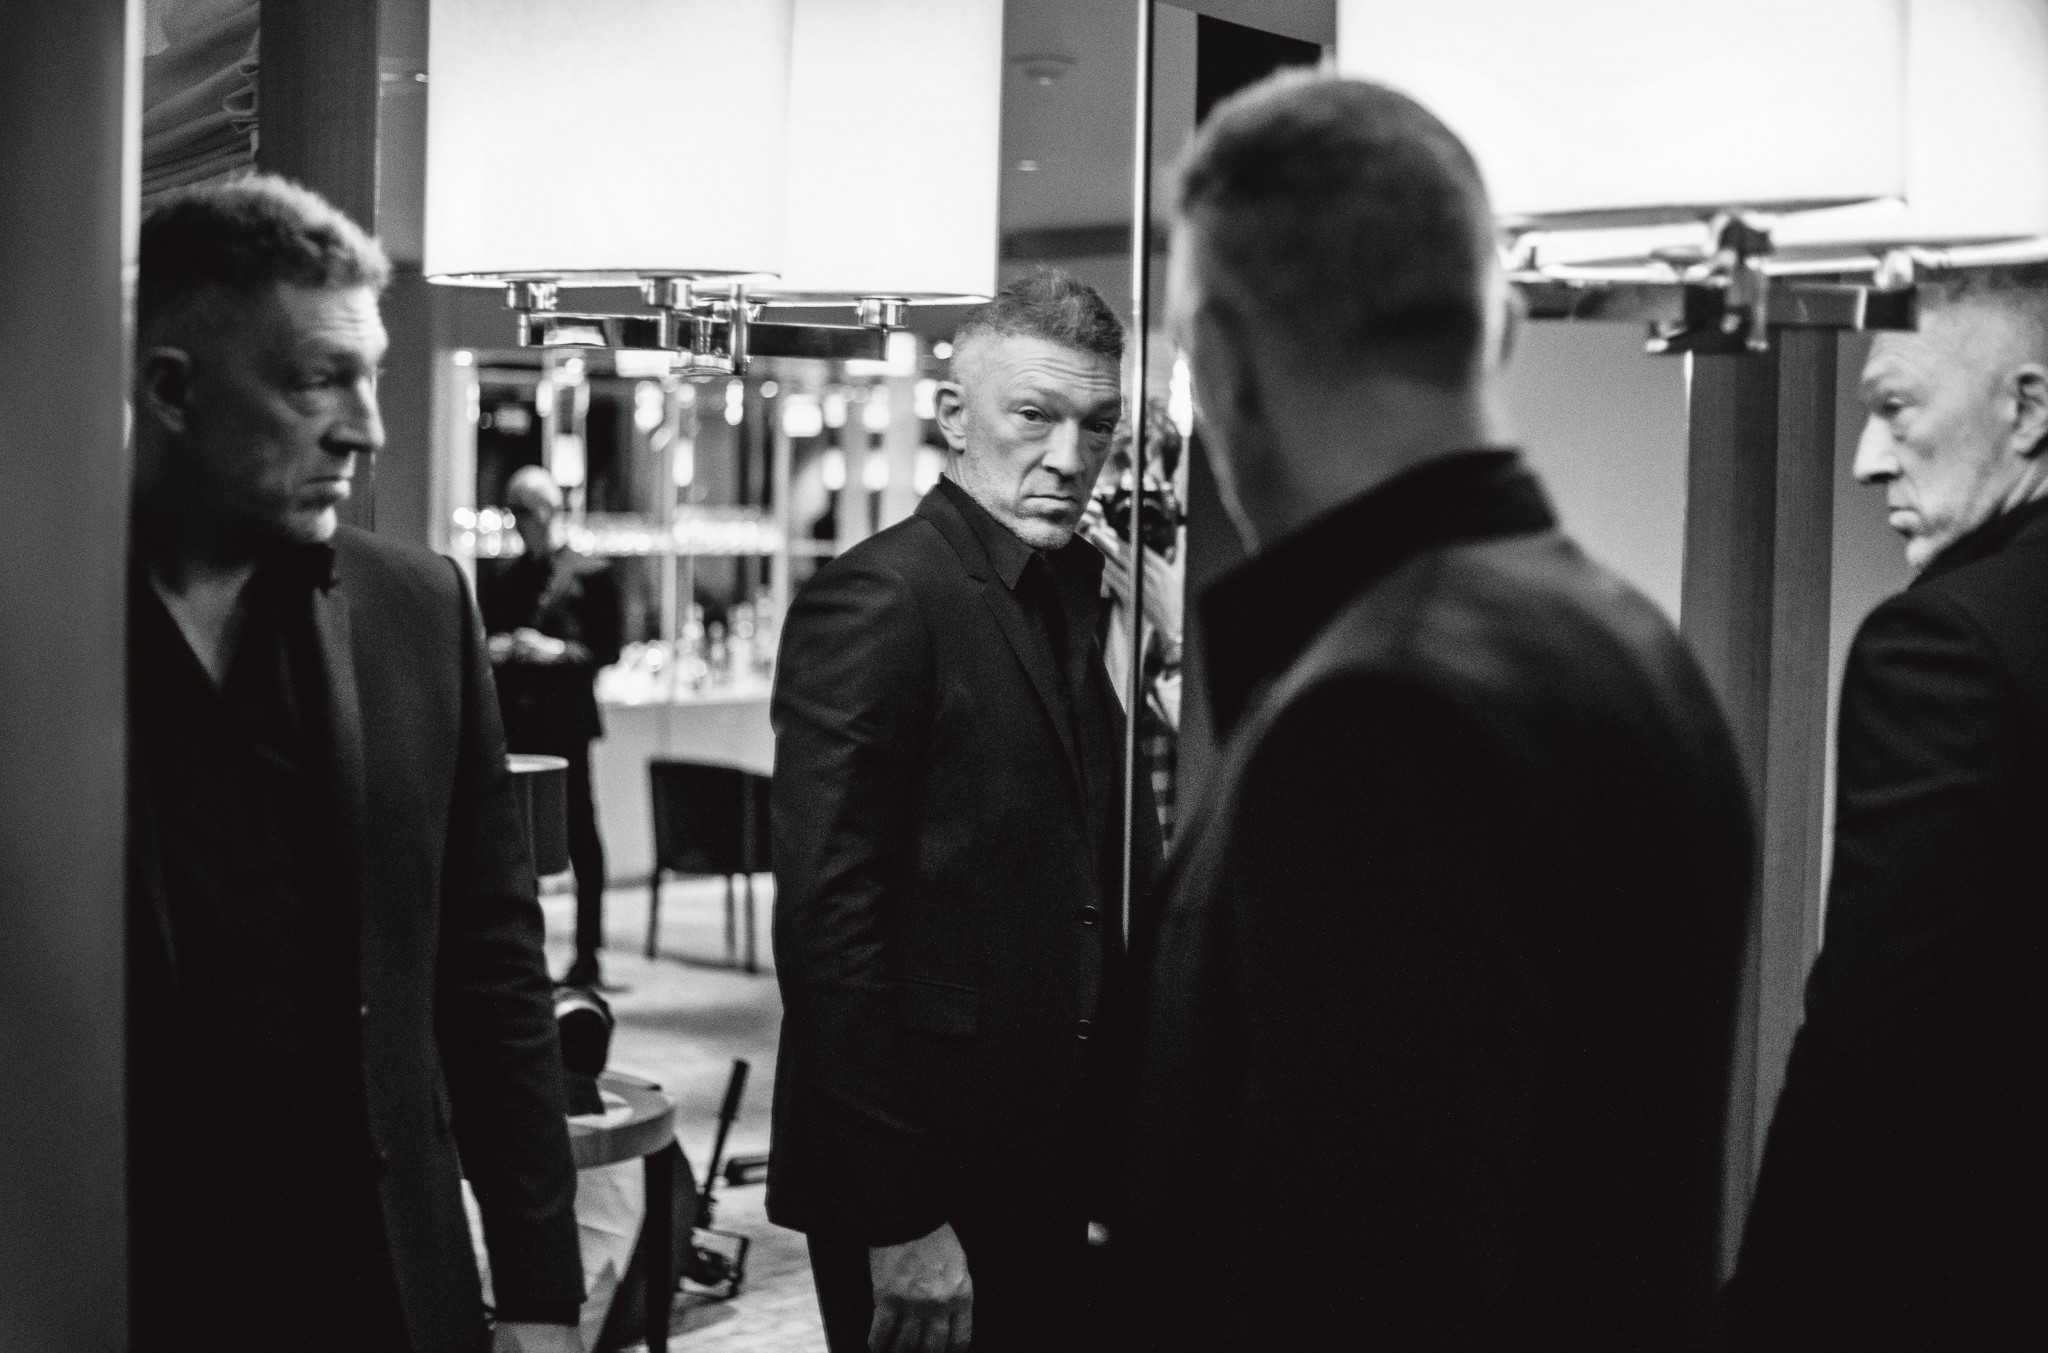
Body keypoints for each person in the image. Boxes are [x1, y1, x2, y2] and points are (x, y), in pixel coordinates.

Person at [1111, 75, 1756, 1349]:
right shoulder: (1630, 642)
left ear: (1222, 362)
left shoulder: (1377, 720)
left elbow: (1362, 1288)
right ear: (1496, 331)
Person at [126, 176, 581, 1353]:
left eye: (370, 377)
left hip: (380, 1281)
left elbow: (492, 968)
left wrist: (539, 1293)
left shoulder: (416, 609)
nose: (365, 428)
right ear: (171, 389)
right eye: (316, 380)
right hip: (120, 1281)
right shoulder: (42, 627)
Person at [768, 268, 1164, 1353]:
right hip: (924, 1174)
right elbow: (827, 930)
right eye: (1034, 415)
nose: (1070, 456)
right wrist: (898, 1213)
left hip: (1047, 1155)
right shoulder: (882, 596)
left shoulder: (1074, 591)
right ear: (953, 416)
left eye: (1097, 425)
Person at [1728, 266, 2048, 1347]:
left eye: (1895, 407)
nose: (1868, 459)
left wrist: (1765, 1317)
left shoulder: (1946, 647)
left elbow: (1874, 1054)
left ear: (2028, 408)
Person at [482, 464, 623, 990]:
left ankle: (588, 953)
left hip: (566, 725)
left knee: (580, 835)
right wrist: (500, 649)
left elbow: (608, 649)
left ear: (545, 511)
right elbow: (485, 640)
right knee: (517, 842)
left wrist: (555, 652)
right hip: (518, 723)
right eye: (512, 512)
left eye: (522, 511)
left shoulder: (590, 572)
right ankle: (526, 953)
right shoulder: (507, 577)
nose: (516, 522)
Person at [1083, 398, 1186, 843]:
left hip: (1160, 839)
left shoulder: (1190, 579)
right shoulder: (1064, 583)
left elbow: (1209, 742)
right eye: (1119, 467)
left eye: (1148, 483)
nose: (1132, 493)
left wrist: (1172, 628)